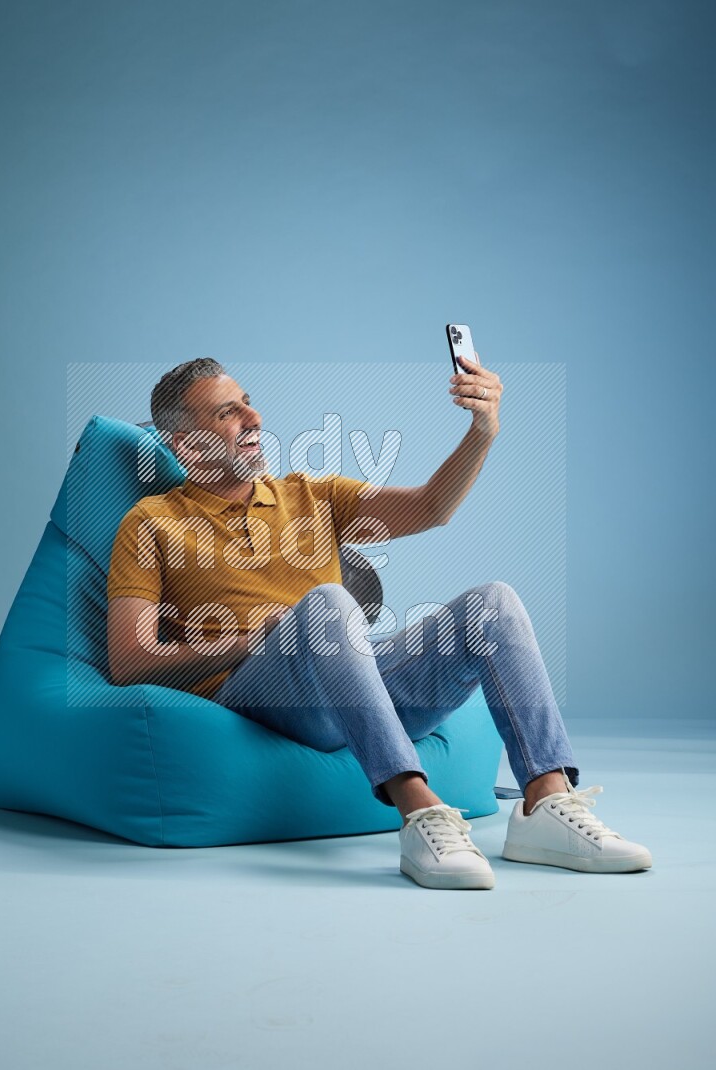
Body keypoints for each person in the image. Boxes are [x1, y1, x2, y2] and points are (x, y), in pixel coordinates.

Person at [106, 356, 652, 890]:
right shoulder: (151, 522)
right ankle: (420, 813)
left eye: (248, 403)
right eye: (228, 413)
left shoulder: (310, 495)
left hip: (351, 692)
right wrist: (252, 639)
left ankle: (546, 803)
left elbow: (431, 507)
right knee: (329, 602)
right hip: (260, 701)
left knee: (494, 603)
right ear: (184, 444)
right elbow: (129, 662)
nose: (254, 419)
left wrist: (482, 431)